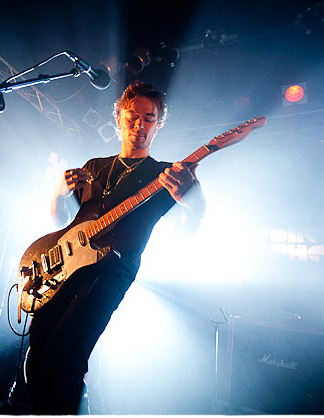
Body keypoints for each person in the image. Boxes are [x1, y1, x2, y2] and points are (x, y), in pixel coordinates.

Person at [25, 80, 206, 414]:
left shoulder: (164, 175)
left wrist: (194, 202)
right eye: (132, 116)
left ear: (159, 125)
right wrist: (58, 194)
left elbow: (188, 230)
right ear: (119, 119)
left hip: (112, 271)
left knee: (67, 356)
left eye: (149, 118)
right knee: (37, 353)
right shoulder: (95, 167)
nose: (139, 125)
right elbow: (62, 224)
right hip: (64, 268)